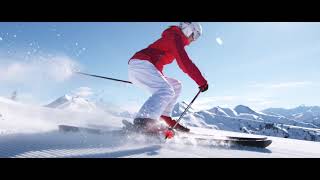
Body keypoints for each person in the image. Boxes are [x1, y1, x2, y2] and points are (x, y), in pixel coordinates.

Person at [128, 22, 208, 133]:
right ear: (188, 30)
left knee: (175, 85)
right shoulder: (175, 38)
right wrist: (201, 81)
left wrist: (157, 77)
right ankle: (143, 122)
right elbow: (184, 62)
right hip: (141, 64)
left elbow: (158, 61)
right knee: (166, 90)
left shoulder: (174, 38)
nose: (194, 39)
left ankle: (164, 116)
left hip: (143, 66)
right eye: (195, 35)